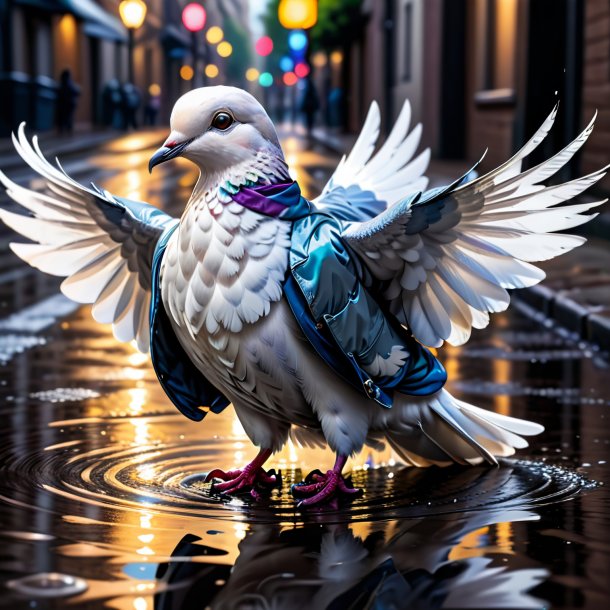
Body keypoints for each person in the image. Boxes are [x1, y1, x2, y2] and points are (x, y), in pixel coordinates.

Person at [56, 69, 80, 133]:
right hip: (69, 103)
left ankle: (64, 128)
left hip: (64, 104)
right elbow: (76, 91)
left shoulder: (62, 83)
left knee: (64, 117)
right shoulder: (69, 83)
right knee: (68, 117)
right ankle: (68, 129)